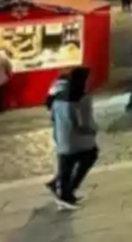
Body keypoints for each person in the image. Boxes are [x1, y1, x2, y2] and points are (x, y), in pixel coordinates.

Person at [48, 67, 98, 210]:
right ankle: (66, 194)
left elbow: (52, 117)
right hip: (78, 139)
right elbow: (82, 123)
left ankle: (63, 189)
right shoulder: (82, 99)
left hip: (62, 137)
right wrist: (93, 130)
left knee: (66, 164)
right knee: (89, 155)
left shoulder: (59, 96)